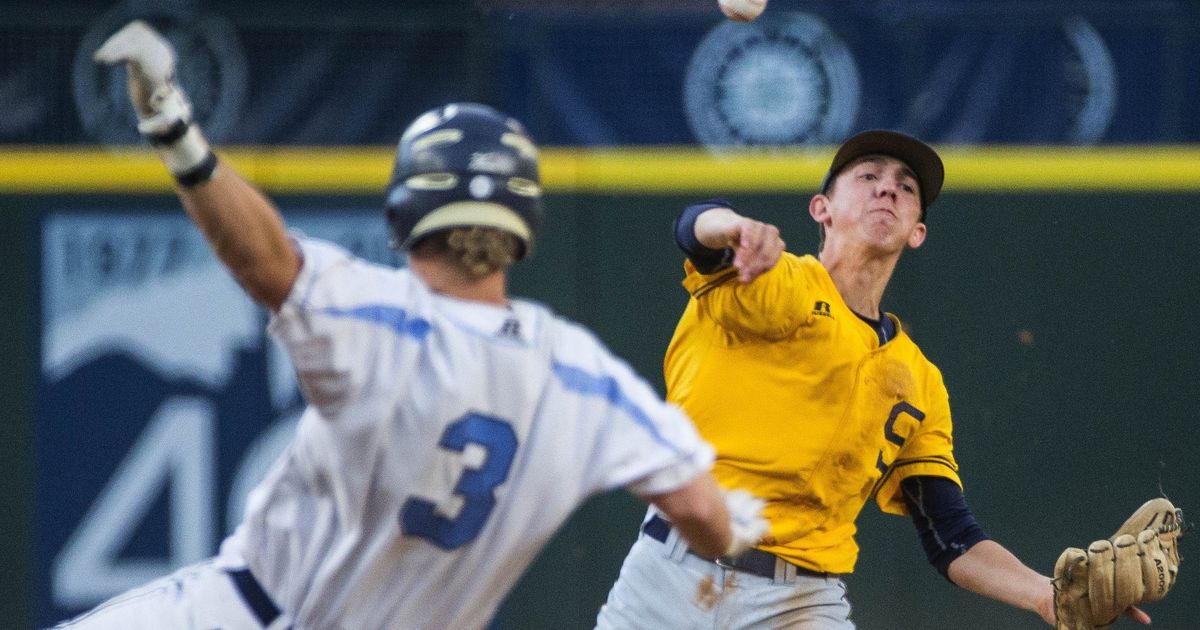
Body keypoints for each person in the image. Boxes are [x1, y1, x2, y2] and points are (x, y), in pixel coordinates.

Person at [60, 20, 768, 630]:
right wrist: (732, 524)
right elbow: (699, 512)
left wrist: (175, 131)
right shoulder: (584, 377)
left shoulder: (378, 313)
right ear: (525, 225)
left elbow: (264, 261)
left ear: (402, 217)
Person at [595, 130, 1155, 629]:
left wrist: (1045, 596)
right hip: (668, 579)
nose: (888, 189)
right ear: (822, 208)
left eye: (906, 187)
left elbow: (950, 534)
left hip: (799, 603)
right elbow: (695, 232)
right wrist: (733, 225)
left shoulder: (919, 381)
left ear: (917, 233)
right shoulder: (775, 281)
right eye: (867, 177)